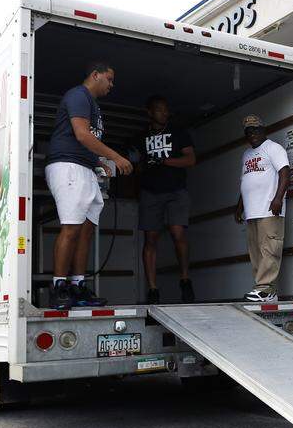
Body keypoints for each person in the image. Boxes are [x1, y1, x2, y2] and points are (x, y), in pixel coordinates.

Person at [45, 61, 133, 309]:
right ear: (95, 75)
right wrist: (115, 157)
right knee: (71, 228)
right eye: (109, 79)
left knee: (86, 230)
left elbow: (85, 142)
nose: (111, 85)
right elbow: (82, 134)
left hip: (85, 168)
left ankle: (77, 285)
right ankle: (58, 287)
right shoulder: (78, 95)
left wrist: (98, 162)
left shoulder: (93, 104)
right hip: (67, 166)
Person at [131, 95, 196, 304]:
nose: (164, 113)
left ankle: (185, 281)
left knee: (178, 234)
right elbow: (137, 167)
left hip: (176, 190)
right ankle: (153, 289)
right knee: (150, 239)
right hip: (151, 192)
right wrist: (138, 164)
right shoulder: (140, 138)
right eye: (159, 109)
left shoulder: (178, 133)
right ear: (150, 112)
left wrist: (164, 160)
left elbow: (190, 159)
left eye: (166, 110)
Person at [234, 115, 290, 303]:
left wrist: (278, 198)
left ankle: (266, 289)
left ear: (264, 130)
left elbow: (284, 172)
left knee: (269, 249)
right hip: (252, 212)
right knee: (256, 251)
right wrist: (239, 207)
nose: (253, 134)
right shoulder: (246, 154)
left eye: (256, 130)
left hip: (269, 210)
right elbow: (245, 182)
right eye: (249, 131)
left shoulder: (273, 148)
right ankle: (262, 289)